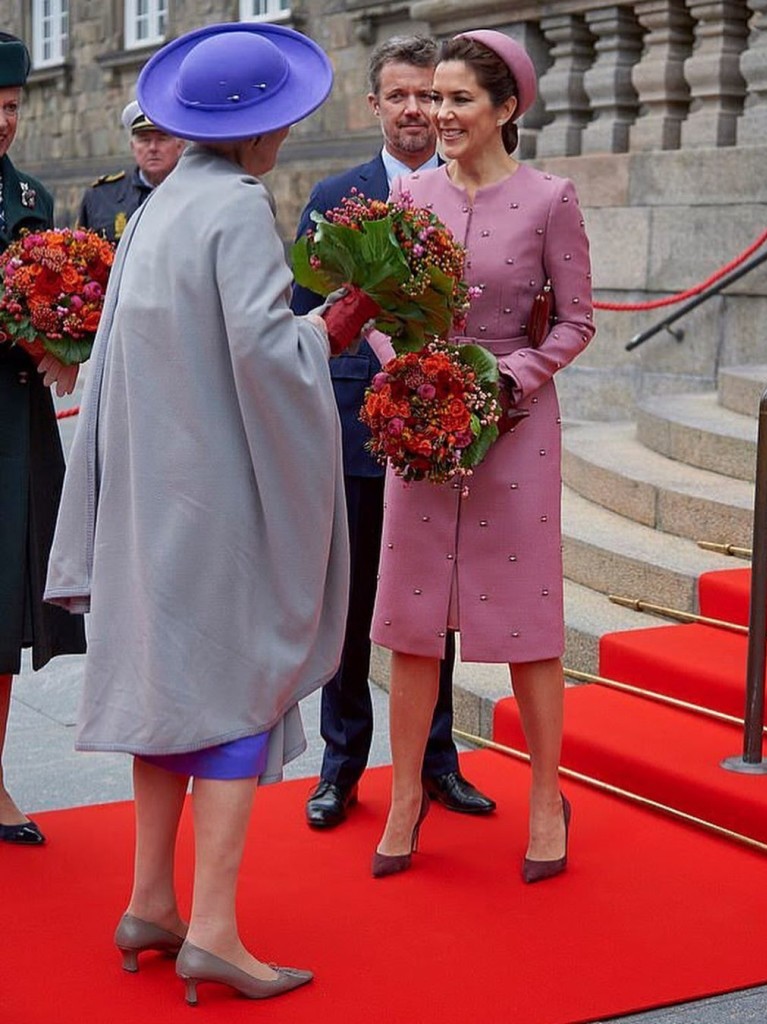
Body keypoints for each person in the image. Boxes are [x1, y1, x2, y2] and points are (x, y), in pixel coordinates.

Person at [44, 22, 366, 1005]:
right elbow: (265, 358)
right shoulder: (233, 205)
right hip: (217, 496)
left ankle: (151, 900)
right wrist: (331, 329)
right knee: (234, 691)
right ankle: (215, 932)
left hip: (151, 493)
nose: (288, 133)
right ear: (261, 130)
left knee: (170, 693)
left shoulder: (159, 204)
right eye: (285, 120)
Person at [369, 30, 595, 881]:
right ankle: (404, 795)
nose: (438, 112)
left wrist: (509, 377)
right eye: (434, 96)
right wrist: (407, 376)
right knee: (411, 619)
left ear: (505, 109)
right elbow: (379, 306)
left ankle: (544, 796)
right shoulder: (410, 194)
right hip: (422, 425)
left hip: (515, 425)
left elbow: (576, 320)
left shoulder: (550, 198)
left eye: (459, 98)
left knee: (528, 621)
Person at [292, 34, 496, 830]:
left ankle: (436, 762)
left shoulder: (471, 187)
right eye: (400, 95)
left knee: (431, 607)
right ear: (373, 105)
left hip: (440, 433)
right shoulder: (335, 195)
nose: (416, 109)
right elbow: (301, 320)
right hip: (352, 433)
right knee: (348, 611)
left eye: (428, 94)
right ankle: (339, 767)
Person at [0, 32, 86, 846]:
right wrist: (33, 340)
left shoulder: (29, 192)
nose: (4, 120)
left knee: (2, 606)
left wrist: (65, 343)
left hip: (13, 426)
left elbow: (48, 294)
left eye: (12, 106)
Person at [76, 99, 185, 241]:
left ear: (180, 146)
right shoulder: (101, 197)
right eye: (145, 140)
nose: (153, 148)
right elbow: (81, 249)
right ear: (133, 147)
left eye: (162, 139)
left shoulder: (194, 193)